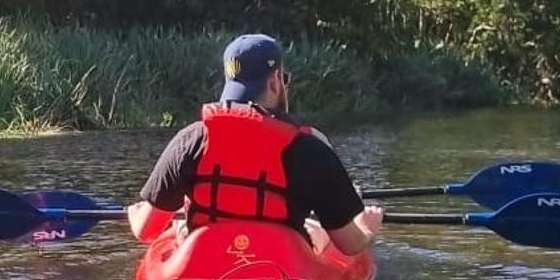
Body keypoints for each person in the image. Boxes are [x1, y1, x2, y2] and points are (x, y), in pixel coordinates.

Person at [126, 33, 385, 255]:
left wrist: (134, 212)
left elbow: (144, 231)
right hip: (283, 265)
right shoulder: (310, 148)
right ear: (275, 81)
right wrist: (367, 227)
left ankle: (185, 231)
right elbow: (350, 245)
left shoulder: (191, 140)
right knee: (318, 231)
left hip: (205, 260)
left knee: (179, 226)